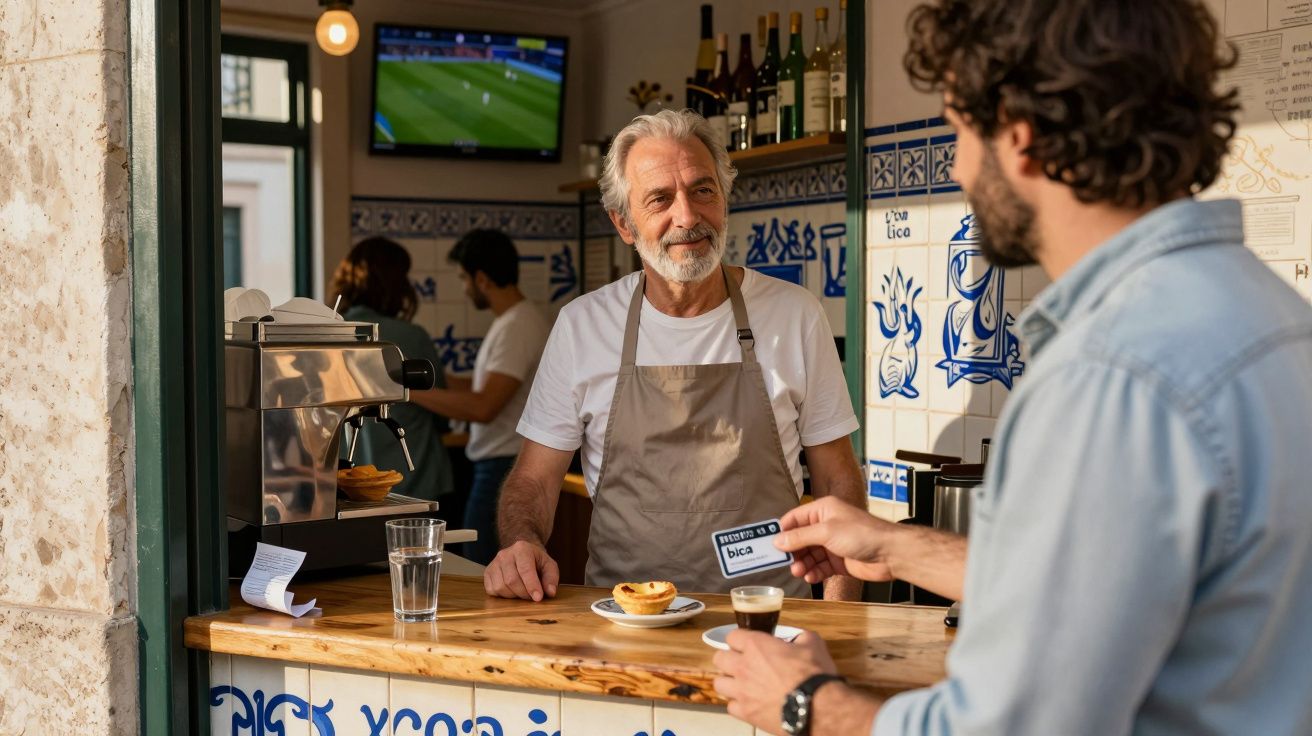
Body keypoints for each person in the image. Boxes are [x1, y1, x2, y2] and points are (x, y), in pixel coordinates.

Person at [712, 1, 1312, 734]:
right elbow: (1118, 594)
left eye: (961, 131)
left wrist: (805, 702)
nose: (960, 165)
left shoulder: (1106, 376)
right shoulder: (1275, 318)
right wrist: (901, 548)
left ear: (1020, 139)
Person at [482, 109, 866, 603]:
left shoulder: (794, 315)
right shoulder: (583, 326)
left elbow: (839, 479)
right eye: (660, 198)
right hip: (624, 619)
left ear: (724, 200)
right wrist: (521, 542)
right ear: (623, 223)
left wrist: (838, 621)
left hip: (767, 618)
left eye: (703, 190)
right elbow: (534, 479)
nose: (687, 216)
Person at [408, 229, 550, 565]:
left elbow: (484, 406)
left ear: (482, 278)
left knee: (484, 570)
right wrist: (433, 381)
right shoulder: (512, 322)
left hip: (504, 468)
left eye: (463, 278)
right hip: (496, 465)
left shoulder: (519, 326)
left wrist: (409, 393)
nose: (464, 287)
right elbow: (483, 387)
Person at [330, 237, 455, 505]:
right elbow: (443, 417)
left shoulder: (332, 335)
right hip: (419, 481)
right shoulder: (411, 336)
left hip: (348, 485)